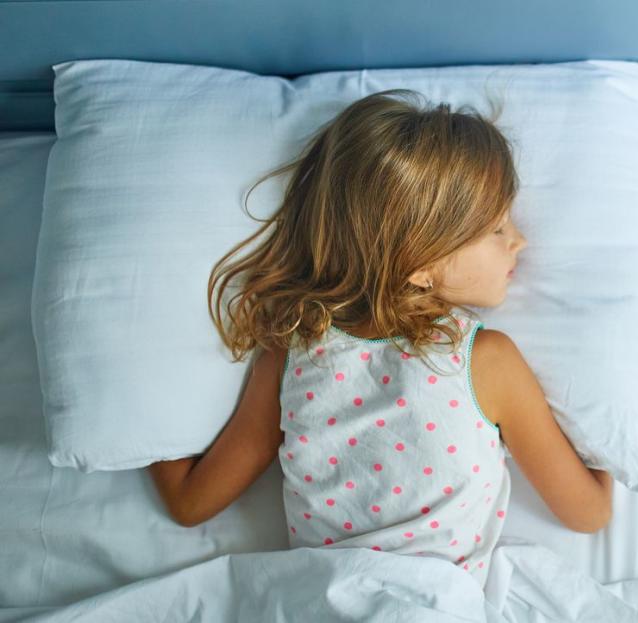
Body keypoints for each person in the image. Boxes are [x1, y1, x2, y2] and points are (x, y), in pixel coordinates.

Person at [147, 90, 612, 585]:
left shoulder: (292, 353)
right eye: (496, 228)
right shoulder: (484, 361)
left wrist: (146, 383)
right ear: (420, 263)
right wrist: (608, 436)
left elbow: (191, 502)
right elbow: (588, 514)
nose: (520, 239)